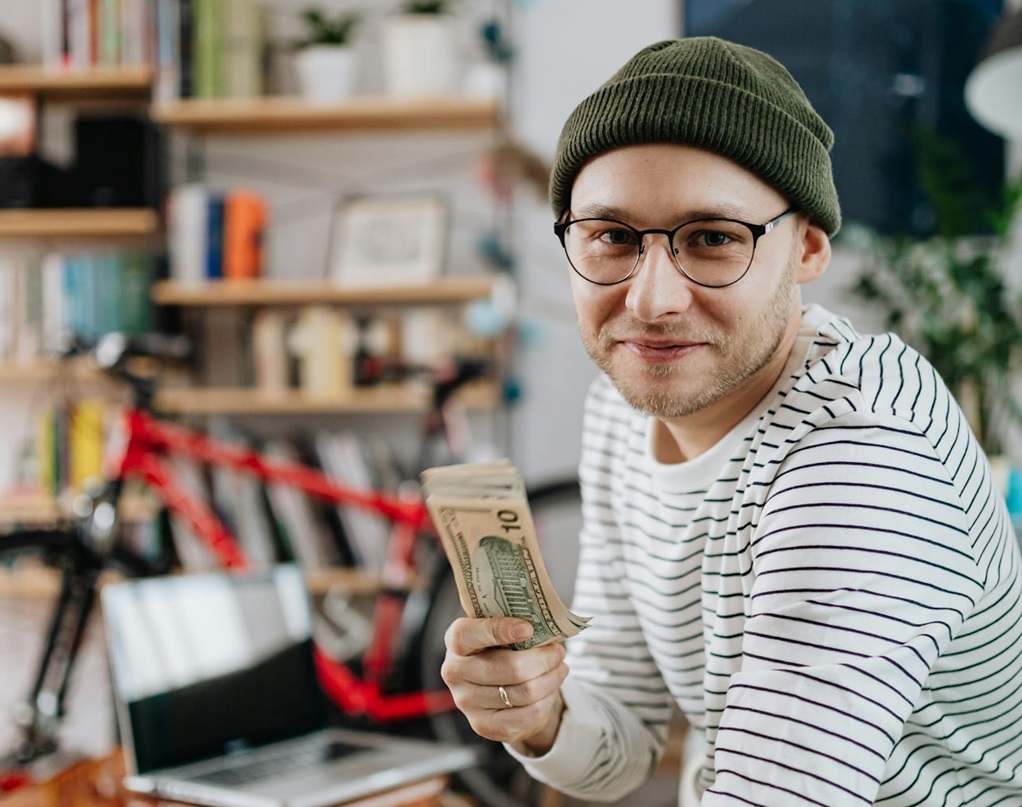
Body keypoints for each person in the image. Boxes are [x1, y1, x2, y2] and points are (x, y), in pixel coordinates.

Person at [440, 36, 1022, 805]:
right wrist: (541, 715)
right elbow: (622, 742)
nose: (650, 301)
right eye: (612, 236)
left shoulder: (864, 451)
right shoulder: (622, 408)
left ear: (807, 248)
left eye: (712, 238)